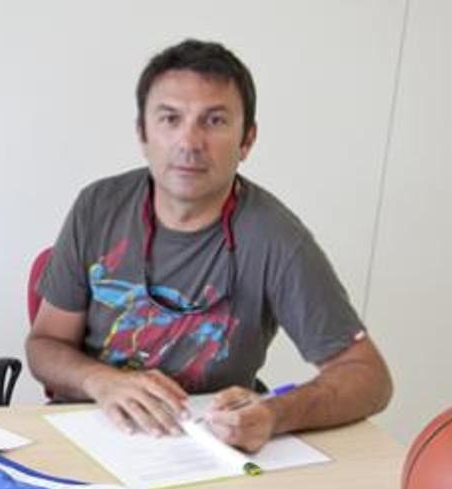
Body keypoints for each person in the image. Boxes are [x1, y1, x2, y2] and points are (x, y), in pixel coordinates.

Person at [25, 39, 393, 452]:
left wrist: (275, 413)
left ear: (247, 140)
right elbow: (44, 347)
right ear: (142, 133)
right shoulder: (98, 206)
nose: (190, 142)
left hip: (204, 447)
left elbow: (369, 378)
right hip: (90, 427)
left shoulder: (277, 238)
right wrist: (101, 380)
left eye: (214, 121)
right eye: (170, 119)